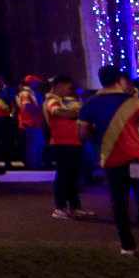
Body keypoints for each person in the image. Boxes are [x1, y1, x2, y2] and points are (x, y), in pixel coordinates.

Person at [78, 65, 139, 255]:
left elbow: (82, 133)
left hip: (111, 160)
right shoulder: (134, 103)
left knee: (119, 202)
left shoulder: (89, 104)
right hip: (136, 158)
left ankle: (127, 245)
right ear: (119, 80)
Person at [43, 75, 88, 219]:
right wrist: (78, 113)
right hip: (62, 143)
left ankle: (75, 207)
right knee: (63, 176)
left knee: (72, 176)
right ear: (59, 85)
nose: (69, 91)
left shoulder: (63, 100)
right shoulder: (52, 99)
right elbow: (56, 111)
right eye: (67, 87)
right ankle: (60, 207)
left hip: (73, 142)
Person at [16, 75, 47, 169]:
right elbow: (26, 107)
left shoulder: (33, 92)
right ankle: (33, 165)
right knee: (34, 145)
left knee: (37, 144)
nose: (38, 84)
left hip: (35, 123)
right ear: (31, 83)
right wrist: (40, 110)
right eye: (36, 82)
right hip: (30, 123)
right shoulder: (25, 93)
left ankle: (35, 163)